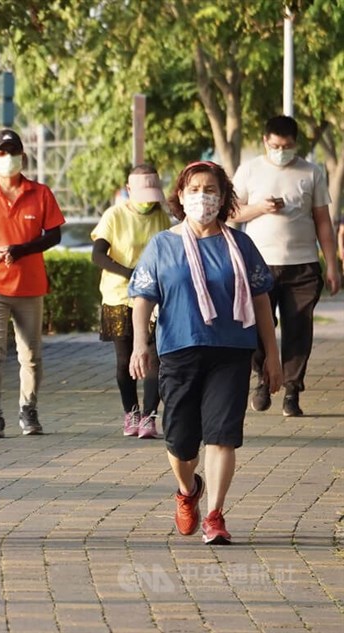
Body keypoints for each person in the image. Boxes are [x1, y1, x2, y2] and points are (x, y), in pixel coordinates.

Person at [129, 161, 281, 545]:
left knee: (222, 436)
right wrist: (139, 344)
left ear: (223, 197)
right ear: (180, 196)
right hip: (179, 352)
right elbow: (143, 299)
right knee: (181, 443)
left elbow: (262, 302)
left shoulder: (241, 245)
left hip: (231, 351)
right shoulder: (164, 244)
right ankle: (187, 490)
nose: (202, 197)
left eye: (210, 190)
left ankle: (215, 514)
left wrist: (272, 356)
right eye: (194, 189)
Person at [232, 115, 340, 417]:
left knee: (299, 330)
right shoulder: (249, 170)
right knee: (254, 326)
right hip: (258, 264)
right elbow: (231, 213)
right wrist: (259, 208)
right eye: (276, 145)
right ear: (266, 140)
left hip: (302, 265)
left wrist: (331, 265)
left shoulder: (311, 171)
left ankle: (292, 390)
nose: (282, 151)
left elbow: (323, 221)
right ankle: (263, 378)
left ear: (296, 144)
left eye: (288, 146)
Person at [0, 128, 65, 439]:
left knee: (30, 354)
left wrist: (22, 249)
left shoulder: (41, 193)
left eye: (13, 152)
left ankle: (28, 409)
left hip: (30, 285)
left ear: (23, 157)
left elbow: (54, 234)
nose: (8, 159)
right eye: (1, 153)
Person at [91, 164, 172, 438]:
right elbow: (98, 255)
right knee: (126, 359)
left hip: (153, 298)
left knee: (154, 358)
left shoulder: (161, 217)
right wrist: (132, 274)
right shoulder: (114, 215)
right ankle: (131, 413)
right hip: (118, 295)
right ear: (129, 191)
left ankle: (149, 416)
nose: (148, 201)